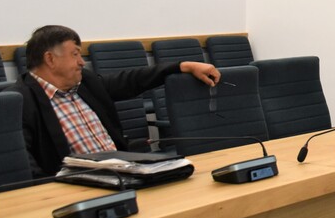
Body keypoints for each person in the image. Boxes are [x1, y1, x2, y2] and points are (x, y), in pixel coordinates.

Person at [11, 25, 221, 176]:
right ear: (50, 59)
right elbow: (26, 167)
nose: (81, 62)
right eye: (75, 54)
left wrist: (182, 66)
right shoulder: (20, 102)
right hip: (77, 185)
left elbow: (132, 80)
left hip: (124, 171)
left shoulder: (86, 83)